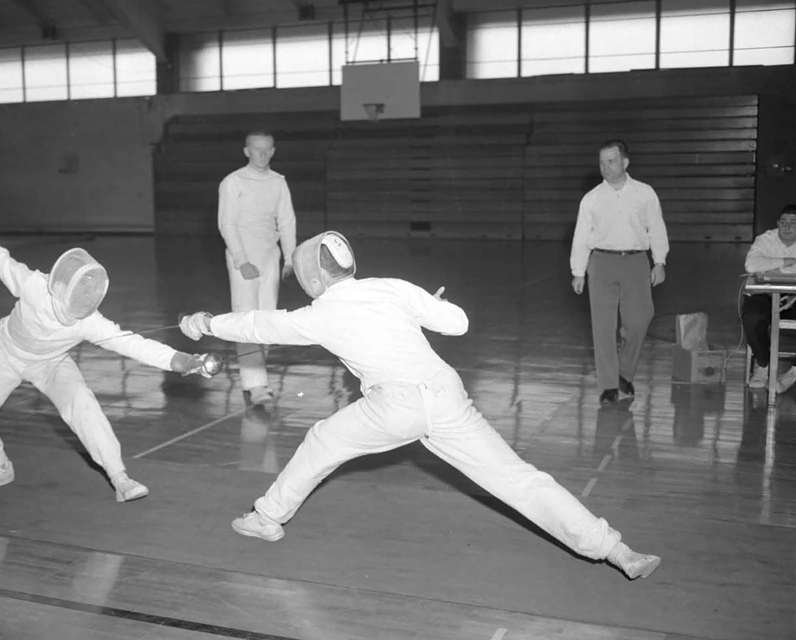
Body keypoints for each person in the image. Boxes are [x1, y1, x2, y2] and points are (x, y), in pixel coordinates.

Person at [180, 231, 661, 581]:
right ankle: (617, 550)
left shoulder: (320, 314)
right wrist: (427, 306)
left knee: (322, 439)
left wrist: (206, 322)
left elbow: (260, 325)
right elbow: (458, 324)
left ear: (316, 274)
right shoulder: (393, 286)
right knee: (519, 479)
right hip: (447, 397)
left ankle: (268, 519)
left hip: (396, 404)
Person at [0, 188, 220, 502]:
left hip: (51, 362)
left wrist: (184, 361)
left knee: (82, 403)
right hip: (3, 351)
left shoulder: (89, 319)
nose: (83, 305)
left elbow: (134, 345)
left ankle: (120, 478)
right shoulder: (31, 285)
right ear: (60, 288)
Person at [570, 139, 669, 404]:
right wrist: (578, 271)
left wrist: (660, 261)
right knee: (602, 326)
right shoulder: (591, 199)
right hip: (601, 263)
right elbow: (581, 236)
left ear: (625, 162)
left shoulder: (645, 193)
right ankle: (608, 384)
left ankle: (624, 371)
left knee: (640, 320)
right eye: (602, 162)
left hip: (636, 261)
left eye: (611, 161)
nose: (605, 166)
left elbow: (656, 228)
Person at [218, 131, 297, 406]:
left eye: (266, 150)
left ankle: (256, 377)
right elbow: (227, 224)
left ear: (273, 151)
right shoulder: (233, 182)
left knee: (267, 321)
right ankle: (256, 385)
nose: (261, 155)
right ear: (246, 151)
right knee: (246, 320)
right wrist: (242, 261)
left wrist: (289, 258)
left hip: (269, 257)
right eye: (256, 149)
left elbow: (286, 221)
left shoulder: (278, 183)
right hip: (244, 258)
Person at [742, 204, 796, 392]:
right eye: (783, 222)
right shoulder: (765, 240)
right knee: (752, 317)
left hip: (793, 298)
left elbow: (761, 266)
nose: (787, 227)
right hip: (764, 294)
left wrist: (772, 268)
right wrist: (787, 262)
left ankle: (793, 372)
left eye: (793, 223)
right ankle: (763, 364)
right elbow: (751, 265)